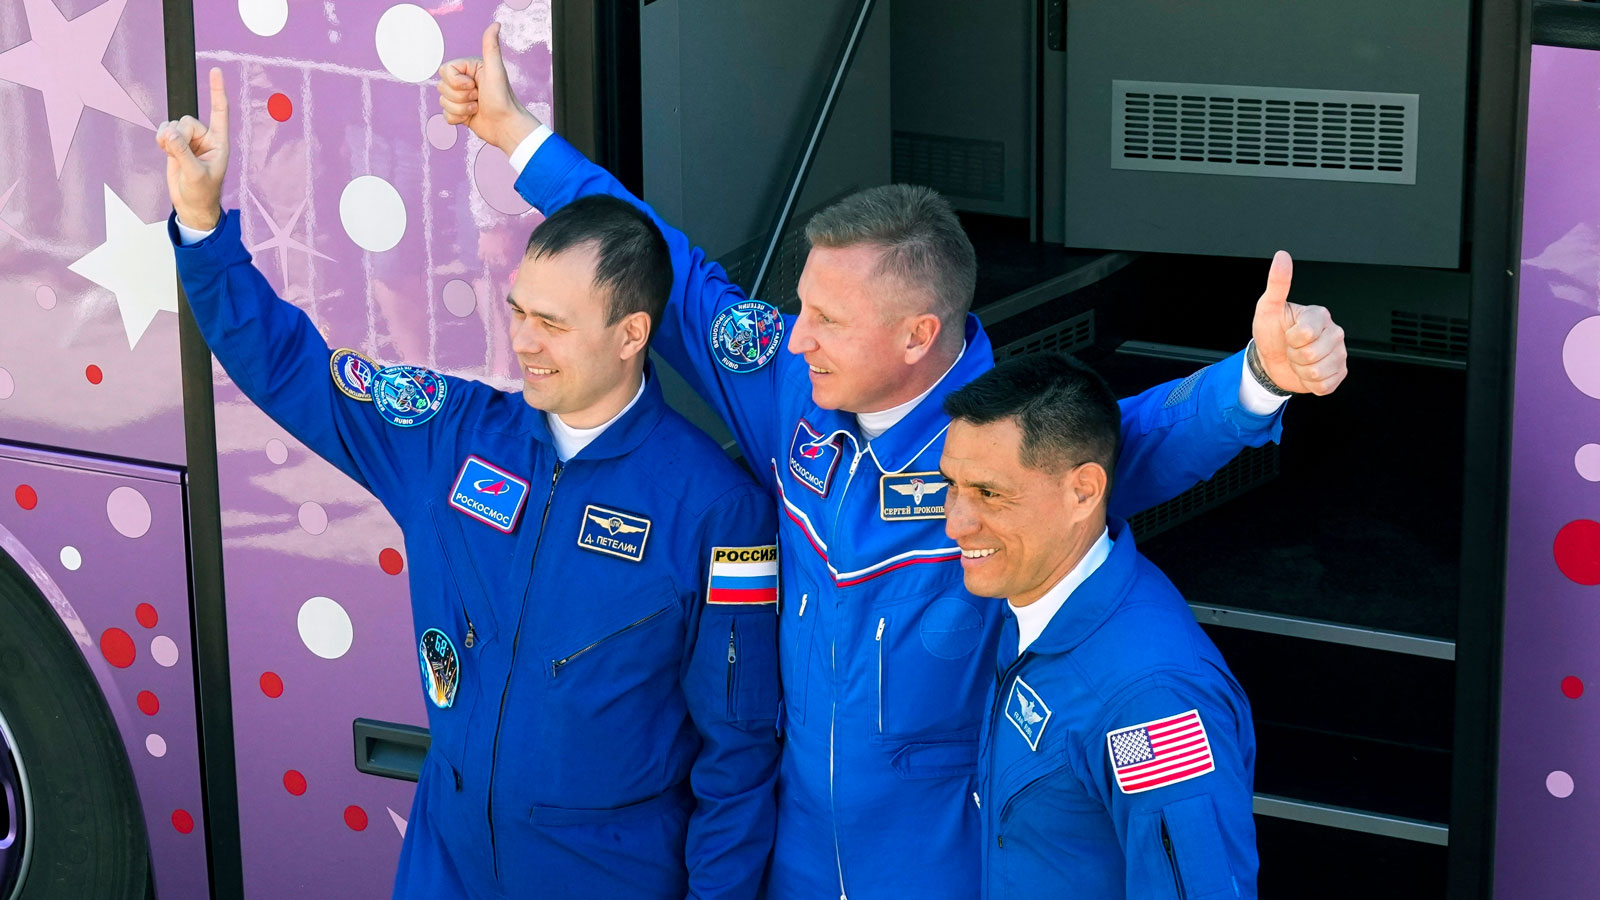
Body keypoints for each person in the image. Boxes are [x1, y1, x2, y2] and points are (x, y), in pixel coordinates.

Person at [439, 23, 1347, 897]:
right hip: (789, 860)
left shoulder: (1010, 446)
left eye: (828, 319)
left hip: (942, 867)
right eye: (802, 308)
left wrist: (1261, 376)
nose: (798, 339)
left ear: (919, 334)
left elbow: (1143, 437)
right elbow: (664, 267)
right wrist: (520, 140)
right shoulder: (789, 389)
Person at [158, 69, 781, 900]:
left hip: (610, 873)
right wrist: (204, 229)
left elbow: (738, 757)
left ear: (634, 333)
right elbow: (289, 368)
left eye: (553, 324)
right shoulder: (447, 434)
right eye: (520, 310)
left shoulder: (717, 507)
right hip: (446, 860)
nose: (523, 341)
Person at [941, 353, 1257, 899]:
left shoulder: (1151, 703)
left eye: (990, 493)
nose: (956, 524)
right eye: (952, 485)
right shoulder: (1032, 596)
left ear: (1083, 492)